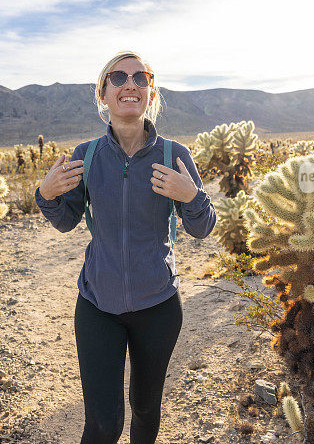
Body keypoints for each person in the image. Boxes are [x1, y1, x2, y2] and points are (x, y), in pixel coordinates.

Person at [35, 50, 216, 444]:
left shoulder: (174, 156)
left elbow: (202, 228)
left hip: (159, 306)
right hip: (98, 305)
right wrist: (45, 195)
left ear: (151, 92)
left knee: (146, 409)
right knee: (103, 424)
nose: (130, 84)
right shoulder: (88, 156)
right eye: (118, 77)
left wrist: (192, 197)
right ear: (103, 94)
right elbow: (66, 220)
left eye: (140, 77)